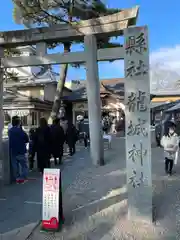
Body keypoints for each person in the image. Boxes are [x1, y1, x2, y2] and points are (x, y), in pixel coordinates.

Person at [9, 116, 29, 183]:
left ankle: (17, 177)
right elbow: (26, 139)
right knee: (24, 165)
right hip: (21, 151)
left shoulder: (10, 131)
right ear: (19, 123)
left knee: (15, 166)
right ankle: (23, 177)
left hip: (13, 151)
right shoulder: (21, 131)